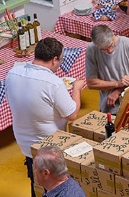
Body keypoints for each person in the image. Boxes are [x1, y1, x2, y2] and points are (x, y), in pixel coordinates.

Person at [8, 38, 82, 177]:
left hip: (24, 141)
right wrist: (77, 88)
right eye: (60, 60)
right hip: (49, 144)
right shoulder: (53, 83)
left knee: (35, 180)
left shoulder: (13, 73)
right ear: (54, 59)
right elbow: (71, 114)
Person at [86, 25, 129, 115]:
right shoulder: (91, 49)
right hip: (108, 107)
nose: (109, 52)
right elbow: (91, 83)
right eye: (103, 50)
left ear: (113, 34)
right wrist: (116, 83)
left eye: (111, 46)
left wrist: (119, 90)